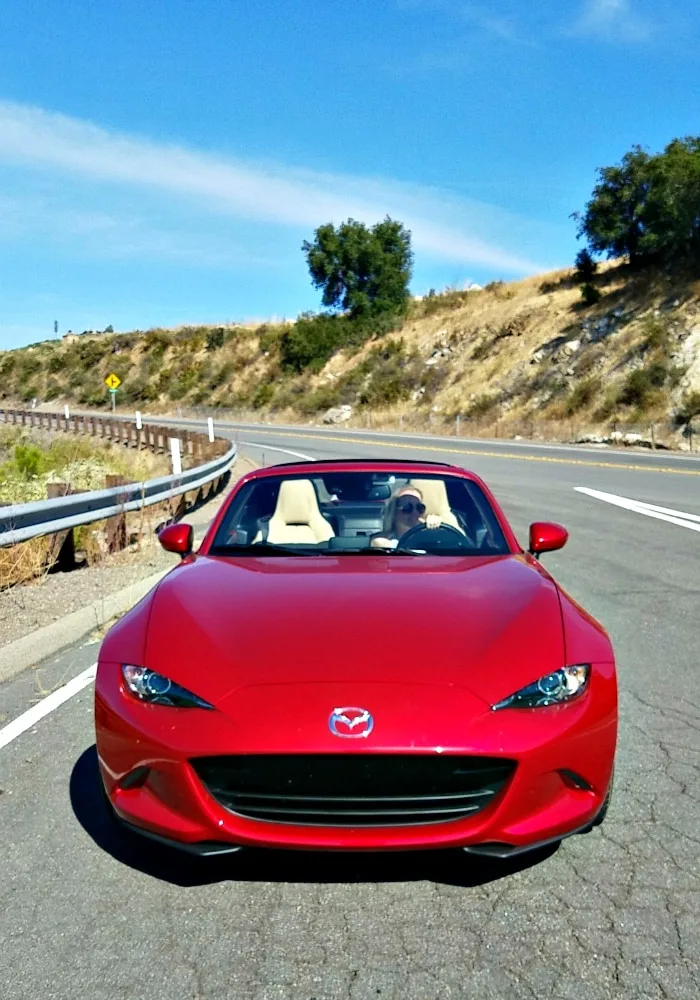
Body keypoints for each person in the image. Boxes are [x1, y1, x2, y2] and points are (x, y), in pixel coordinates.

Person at [370, 486, 441, 549]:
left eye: (419, 508)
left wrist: (437, 529)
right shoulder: (384, 542)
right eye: (407, 508)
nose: (415, 513)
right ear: (394, 512)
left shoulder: (429, 539)